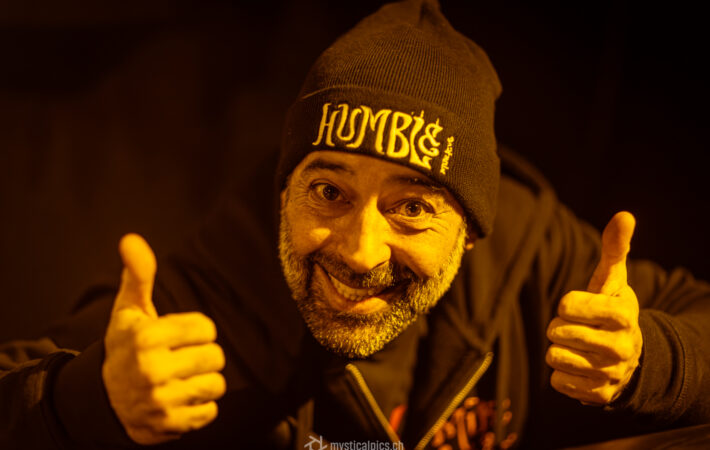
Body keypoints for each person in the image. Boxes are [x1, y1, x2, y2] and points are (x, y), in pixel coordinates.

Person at [2, 0, 710, 448]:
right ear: (285, 193)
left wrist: (648, 358)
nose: (361, 251)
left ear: (470, 231)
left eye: (412, 207)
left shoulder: (534, 252)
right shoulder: (215, 292)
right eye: (329, 191)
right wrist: (89, 402)